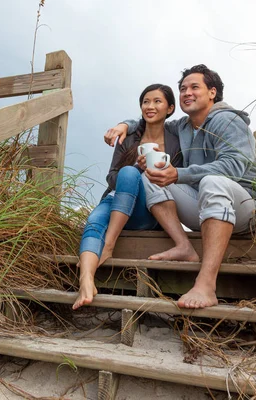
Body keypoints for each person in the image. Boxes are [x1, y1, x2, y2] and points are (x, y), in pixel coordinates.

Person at [104, 65, 256, 310]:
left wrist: (180, 174)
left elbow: (235, 165)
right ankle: (184, 246)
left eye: (194, 87)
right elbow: (151, 118)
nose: (187, 92)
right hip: (204, 208)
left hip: (243, 209)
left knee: (212, 181)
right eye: (183, 88)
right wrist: (125, 125)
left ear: (212, 92)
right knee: (150, 173)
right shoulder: (183, 126)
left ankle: (206, 284)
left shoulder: (227, 120)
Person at [73, 84, 183, 310]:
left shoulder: (177, 137)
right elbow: (111, 176)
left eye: (157, 101)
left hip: (147, 210)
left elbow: (177, 181)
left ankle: (109, 244)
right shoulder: (129, 137)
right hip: (116, 199)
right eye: (145, 102)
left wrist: (144, 174)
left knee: (132, 173)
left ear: (170, 108)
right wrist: (129, 176)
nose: (150, 106)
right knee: (95, 220)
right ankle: (86, 280)